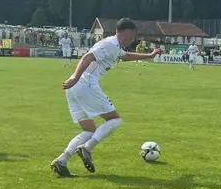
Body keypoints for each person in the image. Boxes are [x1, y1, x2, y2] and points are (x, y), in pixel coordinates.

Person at [52, 19, 163, 177]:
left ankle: (62, 161)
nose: (134, 38)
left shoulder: (115, 46)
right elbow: (87, 57)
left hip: (75, 88)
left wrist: (149, 55)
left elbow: (125, 56)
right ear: (128, 31)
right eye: (134, 34)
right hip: (85, 84)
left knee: (89, 130)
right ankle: (87, 148)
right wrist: (76, 78)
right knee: (115, 120)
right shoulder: (111, 44)